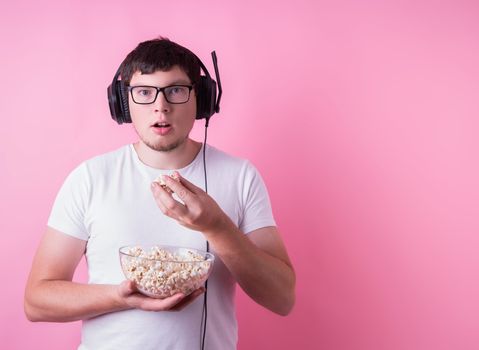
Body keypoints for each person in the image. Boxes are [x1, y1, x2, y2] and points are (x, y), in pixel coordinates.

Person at [24, 37, 295, 350]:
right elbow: (37, 301)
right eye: (144, 92)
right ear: (123, 102)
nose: (160, 106)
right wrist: (121, 296)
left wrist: (216, 227)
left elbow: (282, 298)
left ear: (202, 99)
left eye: (176, 90)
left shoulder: (240, 177)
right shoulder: (90, 178)